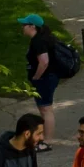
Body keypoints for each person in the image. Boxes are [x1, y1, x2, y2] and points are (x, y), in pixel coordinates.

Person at [18, 15, 58, 151]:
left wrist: (36, 76)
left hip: (45, 79)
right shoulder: (40, 39)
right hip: (48, 78)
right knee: (45, 109)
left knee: (46, 109)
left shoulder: (38, 41)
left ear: (32, 26)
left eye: (24, 25)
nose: (22, 27)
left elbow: (44, 61)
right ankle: (43, 138)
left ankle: (47, 141)